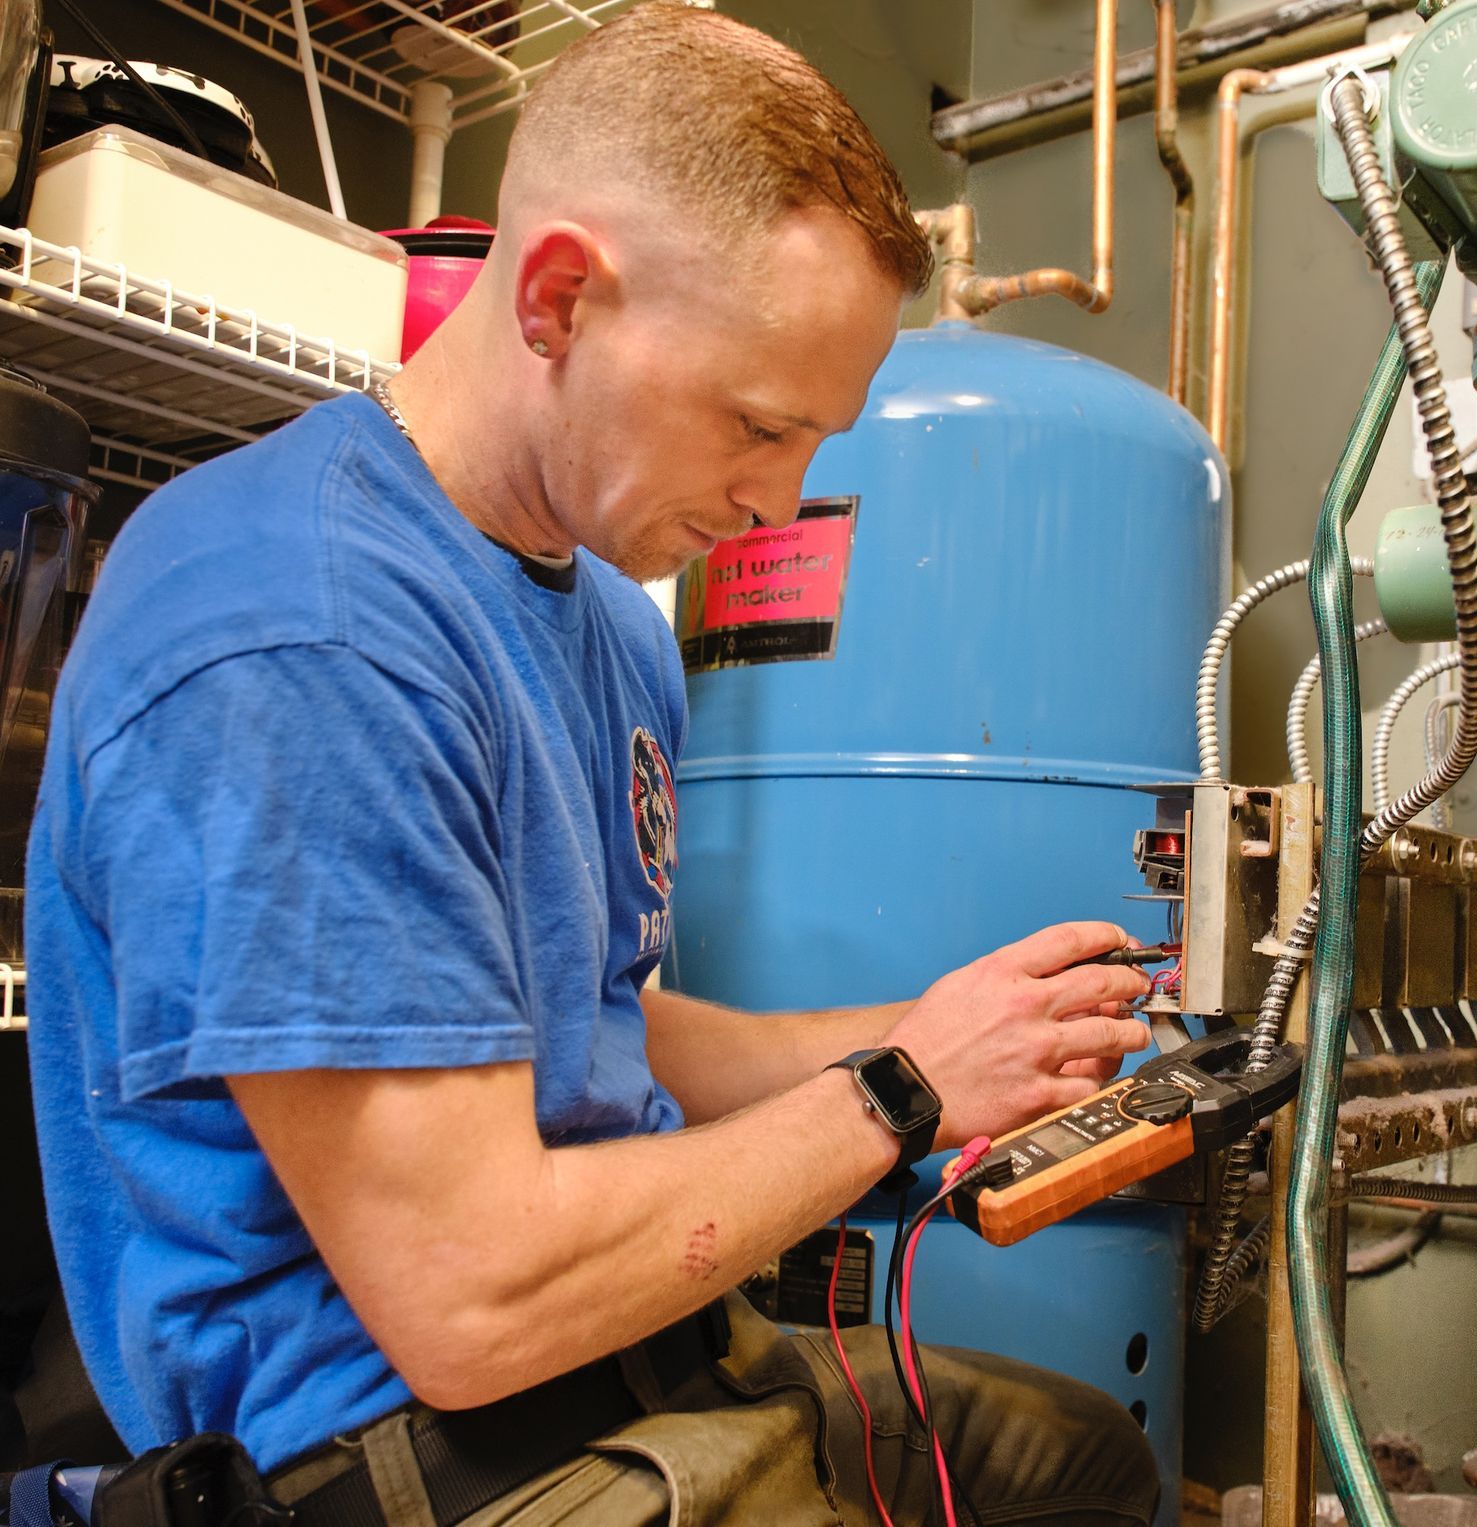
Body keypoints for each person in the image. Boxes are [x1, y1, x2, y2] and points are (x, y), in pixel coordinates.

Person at [24, 6, 1162, 1525]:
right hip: (400, 1448)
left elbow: (590, 1016)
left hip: (649, 1351)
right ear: (561, 297)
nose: (780, 503)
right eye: (757, 426)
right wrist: (896, 1093)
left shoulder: (612, 628)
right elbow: (469, 1299)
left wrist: (957, 1040)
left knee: (1087, 1462)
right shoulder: (304, 626)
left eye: (816, 441)